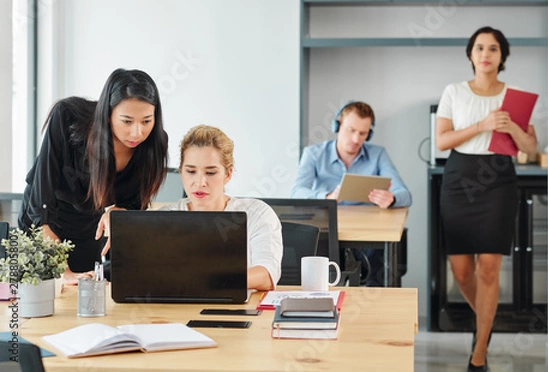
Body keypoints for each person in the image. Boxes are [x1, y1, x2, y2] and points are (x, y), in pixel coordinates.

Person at [436, 26, 537, 372]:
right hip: (459, 179)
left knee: (489, 268)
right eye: (479, 47)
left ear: (502, 56)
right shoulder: (454, 92)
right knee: (462, 271)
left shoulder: (516, 96)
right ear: (470, 54)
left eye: (493, 48)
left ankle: (479, 352)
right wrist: (482, 125)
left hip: (498, 180)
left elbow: (530, 147)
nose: (486, 54)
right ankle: (486, 321)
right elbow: (442, 140)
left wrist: (512, 129)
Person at [18, 68, 169, 285]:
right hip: (41, 223)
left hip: (88, 229)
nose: (137, 133)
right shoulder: (67, 117)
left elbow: (135, 203)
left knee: (84, 300)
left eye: (146, 121)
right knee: (38, 299)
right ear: (107, 114)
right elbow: (40, 200)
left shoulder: (154, 145)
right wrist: (62, 270)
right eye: (127, 121)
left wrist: (119, 213)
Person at [290, 101, 412, 286]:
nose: (356, 139)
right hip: (328, 231)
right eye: (350, 130)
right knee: (321, 276)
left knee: (378, 272)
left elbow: (405, 194)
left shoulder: (378, 154)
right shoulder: (314, 154)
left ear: (369, 134)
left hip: (367, 234)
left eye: (363, 133)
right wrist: (327, 197)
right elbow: (297, 192)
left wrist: (392, 198)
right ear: (337, 126)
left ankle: (373, 305)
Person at [160, 125, 282, 291]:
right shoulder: (164, 218)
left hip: (237, 311)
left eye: (210, 173)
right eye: (190, 171)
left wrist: (212, 280)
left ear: (228, 174)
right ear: (181, 172)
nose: (200, 182)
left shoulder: (256, 213)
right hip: (176, 312)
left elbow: (267, 274)